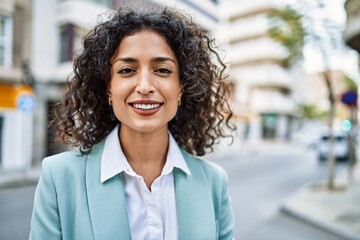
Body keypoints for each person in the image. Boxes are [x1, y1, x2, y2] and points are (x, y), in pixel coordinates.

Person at [29, 5, 236, 240]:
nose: (145, 86)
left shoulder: (214, 183)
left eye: (162, 70)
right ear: (109, 86)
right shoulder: (59, 178)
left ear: (181, 87)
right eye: (127, 70)